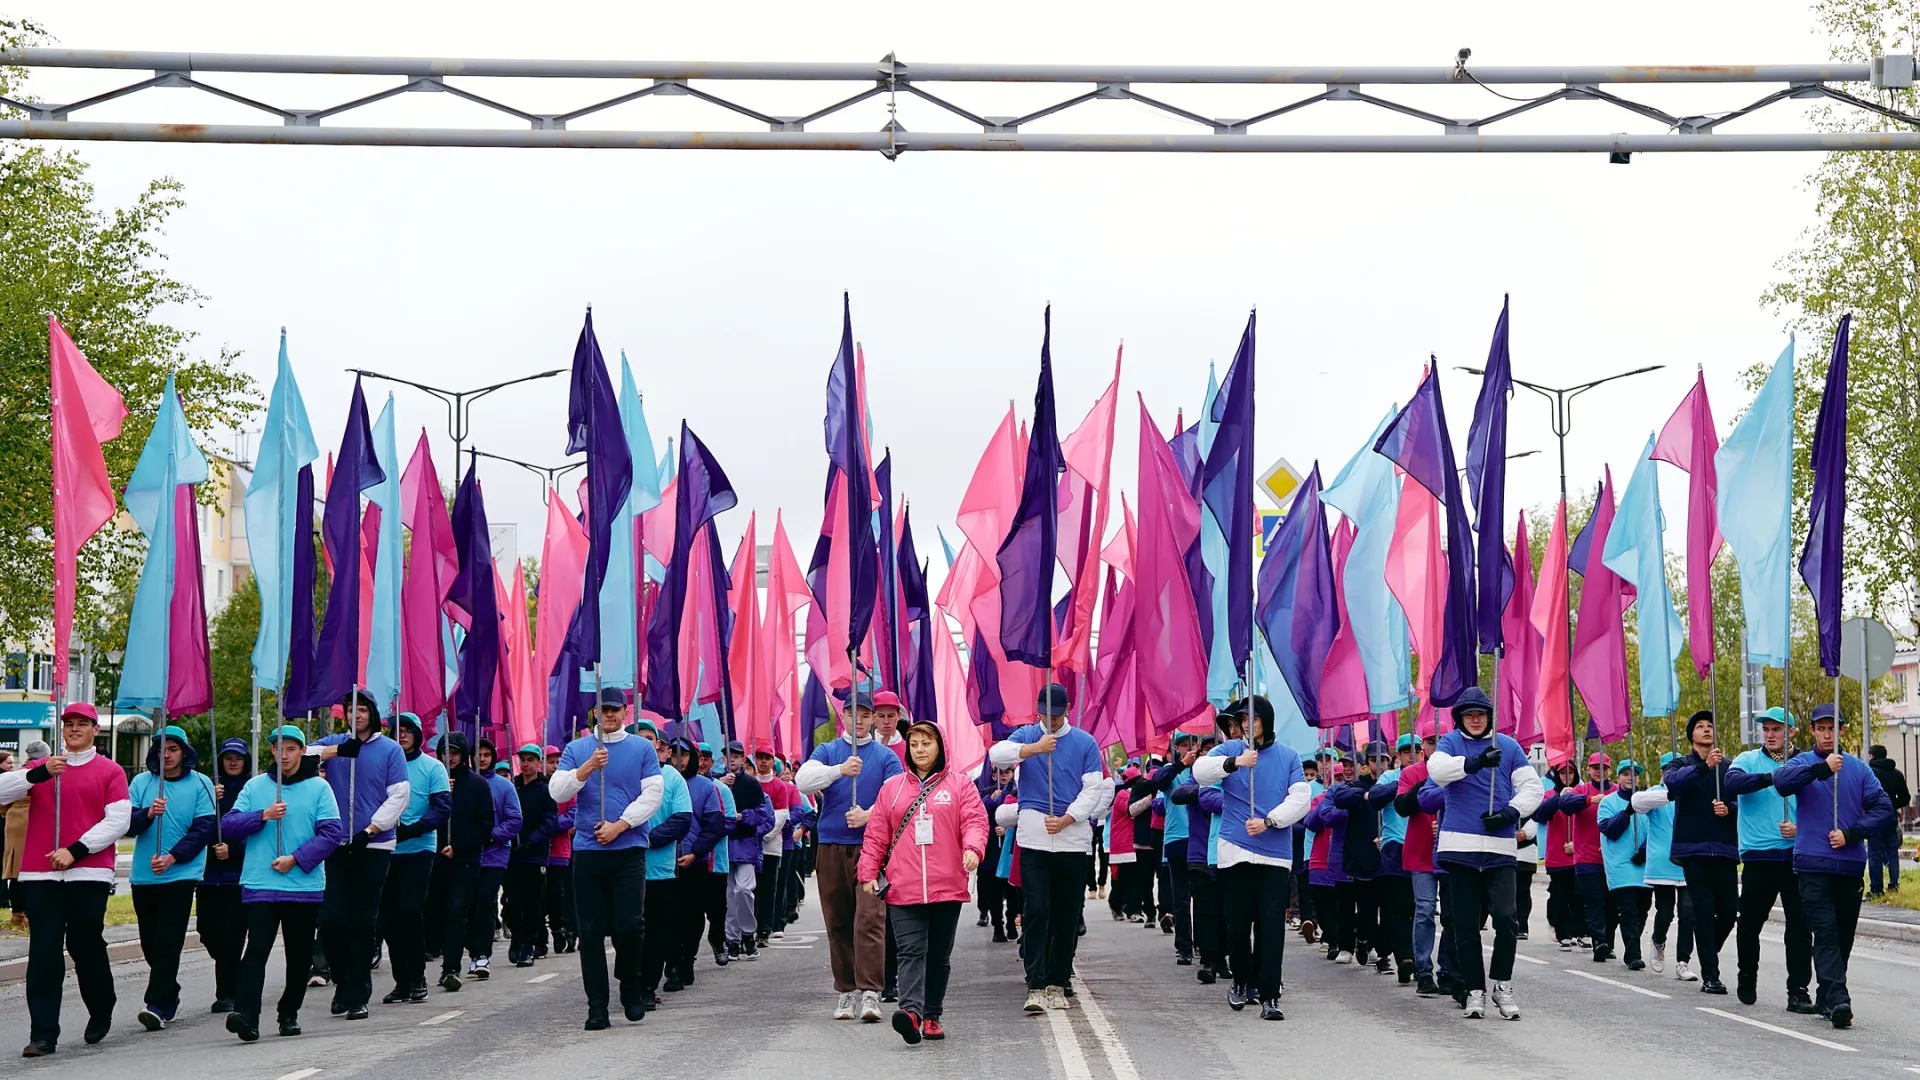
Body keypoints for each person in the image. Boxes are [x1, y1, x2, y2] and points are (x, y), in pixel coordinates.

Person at [2, 703, 129, 1058]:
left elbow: (118, 821)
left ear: (94, 730)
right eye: (68, 724)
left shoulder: (111, 771)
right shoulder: (43, 769)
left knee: (85, 945)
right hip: (40, 874)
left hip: (88, 873)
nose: (74, 729)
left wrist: (76, 849)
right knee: (43, 953)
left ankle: (102, 1005)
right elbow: (1, 791)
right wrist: (35, 775)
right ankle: (43, 1034)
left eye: (81, 724)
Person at [859, 720, 989, 1044]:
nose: (919, 749)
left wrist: (973, 848)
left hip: (947, 885)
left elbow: (974, 820)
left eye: (926, 743)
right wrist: (867, 873)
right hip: (904, 886)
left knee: (939, 956)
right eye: (914, 744)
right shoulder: (892, 788)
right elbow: (876, 835)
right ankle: (911, 1013)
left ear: (940, 747)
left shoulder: (960, 786)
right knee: (910, 950)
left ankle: (932, 1015)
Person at [1772, 702, 1896, 1030]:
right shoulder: (1803, 763)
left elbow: (1883, 807)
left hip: (1850, 864)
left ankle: (1827, 994)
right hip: (1813, 864)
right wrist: (1822, 769)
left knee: (1843, 937)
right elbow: (1782, 783)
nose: (1827, 735)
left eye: (1832, 729)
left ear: (1841, 731)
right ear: (1813, 731)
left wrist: (1853, 833)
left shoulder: (1858, 769)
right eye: (1821, 729)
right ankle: (1841, 998)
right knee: (1825, 932)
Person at [547, 689, 666, 1029]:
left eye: (614, 709)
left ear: (625, 712)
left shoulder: (642, 748)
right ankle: (596, 1005)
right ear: (595, 713)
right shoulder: (577, 749)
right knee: (591, 930)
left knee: (630, 925)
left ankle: (630, 983)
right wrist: (586, 768)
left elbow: (652, 794)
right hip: (588, 853)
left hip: (627, 851)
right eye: (603, 710)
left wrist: (620, 825)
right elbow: (558, 792)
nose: (609, 715)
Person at [221, 726, 345, 1041]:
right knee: (256, 950)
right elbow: (228, 826)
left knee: (299, 955)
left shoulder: (319, 788)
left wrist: (296, 859)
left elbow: (332, 834)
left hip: (302, 886)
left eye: (292, 748)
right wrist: (262, 815)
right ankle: (247, 1016)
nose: (285, 755)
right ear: (273, 752)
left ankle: (288, 1012)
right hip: (260, 882)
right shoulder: (255, 786)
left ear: (303, 751)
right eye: (280, 748)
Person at [1427, 686, 1543, 1021]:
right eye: (1469, 714)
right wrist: (1476, 762)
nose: (1475, 719)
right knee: (1464, 924)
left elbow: (1534, 788)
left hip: (1500, 848)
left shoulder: (1507, 746)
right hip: (1459, 848)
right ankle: (1474, 989)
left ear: (1489, 716)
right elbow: (1438, 772)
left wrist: (1510, 812)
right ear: (1460, 718)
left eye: (1480, 713)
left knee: (1507, 918)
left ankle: (1502, 986)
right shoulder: (1449, 743)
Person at [1192, 696, 1310, 1020]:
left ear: (1266, 721)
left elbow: (1301, 798)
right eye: (1243, 719)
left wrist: (1270, 821)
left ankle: (1270, 993)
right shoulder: (1231, 750)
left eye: (1253, 719)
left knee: (1271, 925)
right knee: (1238, 924)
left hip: (1274, 854)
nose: (1246, 724)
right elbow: (1200, 772)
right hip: (1235, 850)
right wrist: (1235, 764)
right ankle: (1242, 981)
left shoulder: (1288, 757)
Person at [795, 695, 906, 1022]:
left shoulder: (886, 756)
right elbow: (804, 780)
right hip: (830, 845)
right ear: (842, 716)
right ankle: (846, 991)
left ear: (873, 719)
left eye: (865, 715)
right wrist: (839, 771)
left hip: (871, 848)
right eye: (851, 713)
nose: (858, 720)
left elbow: (896, 799)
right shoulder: (828, 752)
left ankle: (871, 991)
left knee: (870, 919)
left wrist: (869, 815)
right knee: (838, 920)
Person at [306, 690, 410, 1020]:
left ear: (373, 713)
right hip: (335, 844)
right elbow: (299, 756)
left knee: (362, 920)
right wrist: (337, 751)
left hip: (374, 845)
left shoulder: (390, 750)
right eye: (351, 709)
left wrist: (371, 830)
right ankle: (341, 981)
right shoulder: (336, 743)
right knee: (332, 919)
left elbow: (399, 797)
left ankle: (357, 992)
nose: (357, 715)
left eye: (363, 709)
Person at [126, 724, 218, 1031]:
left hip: (181, 873)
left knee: (168, 939)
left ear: (184, 752)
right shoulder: (141, 782)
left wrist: (172, 857)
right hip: (143, 875)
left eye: (173, 749)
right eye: (161, 749)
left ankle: (155, 1003)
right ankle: (170, 992)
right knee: (150, 943)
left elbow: (204, 828)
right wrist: (148, 814)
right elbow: (126, 825)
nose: (166, 755)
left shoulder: (200, 783)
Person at [1723, 707, 1813, 1011]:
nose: (1771, 735)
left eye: (1778, 729)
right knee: (1749, 923)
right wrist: (1774, 777)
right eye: (1767, 729)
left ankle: (1798, 990)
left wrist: (1801, 830)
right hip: (1759, 857)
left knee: (1800, 927)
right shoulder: (1747, 760)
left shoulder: (1804, 762)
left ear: (1792, 732)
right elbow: (1732, 785)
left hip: (1797, 855)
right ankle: (1746, 976)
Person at [1662, 710, 1740, 995]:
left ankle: (1708, 953)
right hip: (1693, 850)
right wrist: (1704, 767)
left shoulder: (1730, 767)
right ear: (1691, 735)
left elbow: (1743, 804)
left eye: (1710, 726)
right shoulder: (1681, 763)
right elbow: (1672, 784)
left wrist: (1729, 809)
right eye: (1700, 727)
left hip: (1725, 849)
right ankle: (1712, 975)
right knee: (1704, 912)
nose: (1707, 730)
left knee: (1730, 912)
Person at [380, 715, 449, 1004]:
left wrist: (413, 829)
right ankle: (402, 981)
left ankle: (418, 976)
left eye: (408, 730)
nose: (402, 735)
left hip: (419, 848)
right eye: (397, 731)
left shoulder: (433, 767)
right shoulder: (382, 765)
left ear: (418, 735)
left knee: (409, 910)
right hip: (384, 848)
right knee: (387, 917)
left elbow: (442, 808)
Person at [633, 720, 692, 1004]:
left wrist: (645, 839)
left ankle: (646, 986)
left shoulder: (672, 777)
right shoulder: (621, 773)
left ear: (659, 745)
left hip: (659, 872)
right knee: (625, 931)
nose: (644, 743)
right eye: (638, 738)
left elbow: (682, 820)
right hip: (625, 870)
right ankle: (630, 980)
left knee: (656, 932)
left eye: (649, 738)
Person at [433, 732, 496, 994]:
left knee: (457, 912)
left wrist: (459, 846)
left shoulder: (478, 784)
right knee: (436, 913)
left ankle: (451, 967)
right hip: (435, 859)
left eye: (455, 753)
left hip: (465, 860)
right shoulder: (434, 780)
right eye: (446, 753)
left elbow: (485, 824)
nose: (450, 758)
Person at [200, 738, 253, 1012]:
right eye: (228, 757)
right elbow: (198, 828)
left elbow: (258, 831)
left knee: (232, 936)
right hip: (208, 876)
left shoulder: (253, 790)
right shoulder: (210, 790)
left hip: (238, 877)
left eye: (238, 758)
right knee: (207, 933)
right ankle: (236, 974)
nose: (233, 762)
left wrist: (233, 851)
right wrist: (211, 801)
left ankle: (227, 993)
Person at [1634, 753, 1697, 983]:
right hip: (1662, 863)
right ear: (1663, 773)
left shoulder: (1692, 791)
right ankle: (1658, 941)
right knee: (1666, 912)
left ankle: (1683, 962)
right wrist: (1670, 793)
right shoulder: (1654, 794)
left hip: (1689, 861)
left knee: (1689, 914)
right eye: (1665, 770)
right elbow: (1637, 804)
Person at [671, 737, 727, 990]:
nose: (679, 760)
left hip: (695, 862)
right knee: (668, 916)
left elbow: (714, 826)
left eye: (684, 755)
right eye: (674, 755)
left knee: (693, 915)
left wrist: (695, 853)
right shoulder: (662, 782)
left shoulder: (706, 787)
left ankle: (687, 959)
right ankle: (670, 962)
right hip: (663, 863)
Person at [1552, 752, 1617, 963]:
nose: (1600, 772)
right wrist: (1590, 800)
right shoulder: (1581, 790)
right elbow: (1565, 804)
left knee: (1612, 903)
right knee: (1594, 901)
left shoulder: (1616, 791)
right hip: (1587, 857)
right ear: (1589, 770)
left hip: (1613, 857)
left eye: (1604, 768)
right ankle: (1599, 941)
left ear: (1609, 770)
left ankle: (1610, 941)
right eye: (1595, 768)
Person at [1393, 732, 1443, 996]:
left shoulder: (1457, 768)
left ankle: (1447, 970)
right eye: (1431, 741)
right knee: (1424, 910)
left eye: (1441, 740)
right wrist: (1430, 779)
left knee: (1453, 913)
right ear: (1423, 744)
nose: (1435, 746)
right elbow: (1402, 806)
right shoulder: (1412, 772)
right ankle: (1424, 970)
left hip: (1450, 852)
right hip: (1420, 854)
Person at [468, 739, 522, 981]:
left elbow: (514, 819)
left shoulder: (503, 785)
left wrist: (491, 837)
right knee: (467, 904)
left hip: (494, 855)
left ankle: (482, 955)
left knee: (485, 902)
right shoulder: (463, 783)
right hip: (467, 854)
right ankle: (471, 952)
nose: (482, 759)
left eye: (487, 754)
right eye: (477, 754)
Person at [508, 743, 560, 967]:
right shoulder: (513, 788)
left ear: (539, 763)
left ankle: (528, 944)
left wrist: (531, 843)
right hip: (511, 854)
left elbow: (550, 823)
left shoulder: (545, 789)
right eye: (523, 760)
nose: (526, 764)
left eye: (531, 760)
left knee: (531, 902)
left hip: (534, 854)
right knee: (511, 901)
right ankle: (517, 938)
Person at [1596, 761, 1651, 971]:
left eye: (1634, 775)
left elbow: (1656, 829)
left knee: (1643, 910)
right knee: (1628, 911)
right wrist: (1627, 812)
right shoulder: (1608, 803)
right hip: (1620, 866)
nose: (1630, 778)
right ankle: (1633, 954)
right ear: (1618, 777)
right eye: (1626, 774)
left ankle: (1632, 945)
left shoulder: (1646, 802)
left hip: (1644, 865)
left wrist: (1645, 851)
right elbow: (1609, 830)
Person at [723, 767, 774, 960]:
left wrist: (744, 819)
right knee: (729, 895)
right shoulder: (720, 784)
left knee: (743, 890)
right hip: (725, 846)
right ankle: (733, 940)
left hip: (747, 846)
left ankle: (747, 933)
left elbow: (766, 818)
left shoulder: (754, 787)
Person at [1534, 762, 1582, 950]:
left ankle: (1580, 931)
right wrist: (1559, 799)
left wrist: (1576, 844)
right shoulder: (1549, 795)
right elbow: (1540, 815)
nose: (1566, 776)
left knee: (1579, 895)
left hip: (1578, 854)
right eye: (1562, 773)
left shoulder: (1580, 791)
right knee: (1560, 895)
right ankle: (1563, 933)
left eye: (1570, 772)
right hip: (1557, 854)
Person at [754, 748, 796, 948]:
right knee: (750, 887)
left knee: (768, 888)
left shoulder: (780, 786)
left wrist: (764, 835)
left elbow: (781, 815)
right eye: (759, 758)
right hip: (751, 846)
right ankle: (748, 929)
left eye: (767, 758)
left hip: (771, 845)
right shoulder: (750, 783)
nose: (763, 762)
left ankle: (764, 929)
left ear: (773, 762)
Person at [542, 745, 578, 956]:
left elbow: (573, 814)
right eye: (551, 762)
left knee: (564, 893)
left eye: (558, 762)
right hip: (538, 850)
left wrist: (551, 824)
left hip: (562, 849)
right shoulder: (538, 786)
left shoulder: (567, 787)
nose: (554, 766)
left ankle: (569, 931)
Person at [1866, 744, 1909, 898]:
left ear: (1871, 756)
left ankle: (1876, 889)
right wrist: (1892, 805)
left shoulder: (1870, 773)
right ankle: (1894, 885)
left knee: (1874, 853)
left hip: (1873, 817)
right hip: (1891, 817)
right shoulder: (1897, 774)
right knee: (1892, 851)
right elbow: (1905, 798)